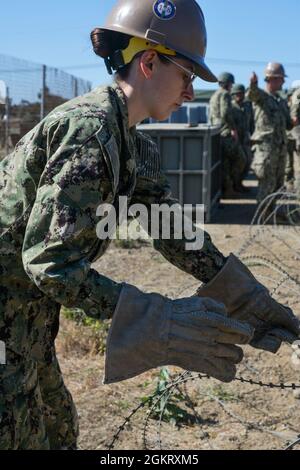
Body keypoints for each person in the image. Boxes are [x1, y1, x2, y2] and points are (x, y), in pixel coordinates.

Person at [0, 0, 299, 450]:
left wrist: (245, 297)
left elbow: (170, 229)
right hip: (10, 311)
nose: (188, 92)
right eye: (186, 76)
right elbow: (49, 263)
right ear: (149, 61)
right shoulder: (90, 131)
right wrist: (158, 317)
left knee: (56, 430)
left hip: (27, 316)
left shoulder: (132, 146)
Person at [247, 64, 293, 213]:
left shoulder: (280, 101)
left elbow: (288, 124)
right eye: (281, 79)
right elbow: (252, 94)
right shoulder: (262, 97)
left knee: (277, 184)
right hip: (266, 149)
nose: (283, 83)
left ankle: (270, 212)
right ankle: (263, 215)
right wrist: (253, 83)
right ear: (271, 79)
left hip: (280, 148)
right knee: (266, 182)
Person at [209, 73, 247, 197]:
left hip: (217, 133)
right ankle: (232, 186)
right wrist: (233, 129)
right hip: (226, 133)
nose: (232, 87)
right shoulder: (224, 94)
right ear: (228, 83)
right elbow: (225, 113)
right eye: (231, 84)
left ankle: (228, 189)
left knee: (225, 163)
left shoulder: (214, 96)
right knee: (241, 159)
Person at [231, 84, 254, 186]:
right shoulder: (231, 107)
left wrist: (252, 135)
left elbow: (251, 122)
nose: (239, 96)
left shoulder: (248, 106)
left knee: (248, 162)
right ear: (233, 94)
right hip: (235, 139)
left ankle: (240, 183)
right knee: (239, 162)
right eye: (237, 94)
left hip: (245, 138)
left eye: (241, 93)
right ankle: (235, 184)